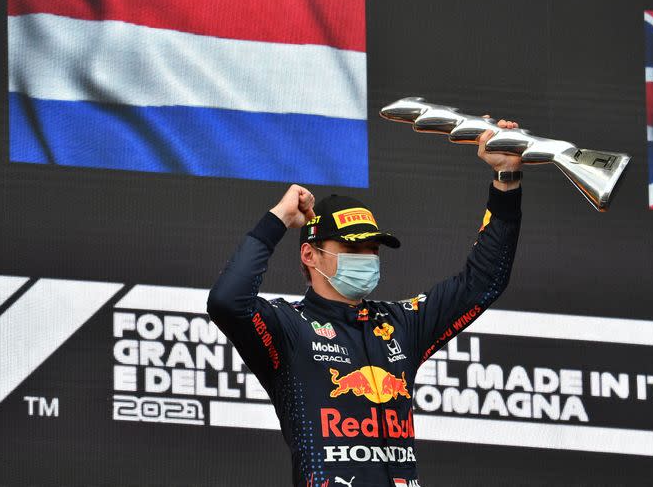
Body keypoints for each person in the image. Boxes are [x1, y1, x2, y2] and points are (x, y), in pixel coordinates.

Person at [207, 123, 523, 487]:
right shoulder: (288, 327)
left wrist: (506, 180)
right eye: (353, 249)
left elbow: (484, 282)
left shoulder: (401, 323)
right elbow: (227, 302)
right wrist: (277, 220)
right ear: (310, 254)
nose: (367, 258)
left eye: (373, 249)